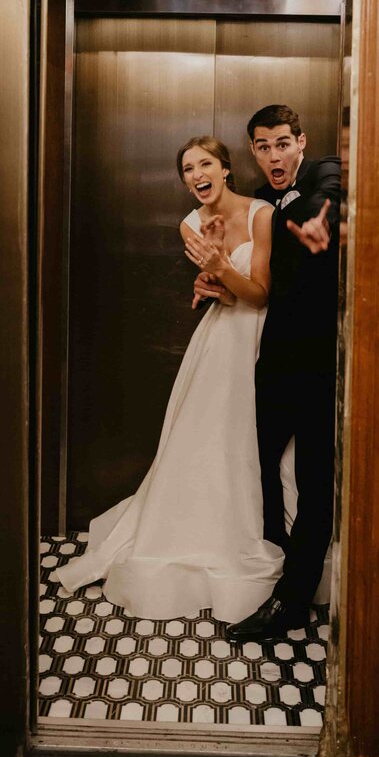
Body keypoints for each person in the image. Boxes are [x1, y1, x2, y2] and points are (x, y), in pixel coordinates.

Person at [55, 135, 285, 623]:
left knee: (256, 439)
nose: (196, 175)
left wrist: (221, 268)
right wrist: (212, 282)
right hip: (220, 342)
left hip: (263, 339)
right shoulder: (190, 225)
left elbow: (261, 295)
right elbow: (227, 298)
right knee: (210, 438)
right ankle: (196, 528)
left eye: (205, 164)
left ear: (225, 169)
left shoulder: (263, 214)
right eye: (186, 168)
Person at [194, 105, 341, 641]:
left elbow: (322, 217)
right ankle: (270, 564)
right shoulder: (259, 199)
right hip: (271, 353)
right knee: (257, 468)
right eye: (262, 146)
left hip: (320, 359)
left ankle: (293, 598)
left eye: (283, 143)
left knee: (312, 478)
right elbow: (260, 279)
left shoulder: (327, 173)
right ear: (251, 151)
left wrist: (310, 223)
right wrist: (216, 280)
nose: (273, 155)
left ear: (300, 142)